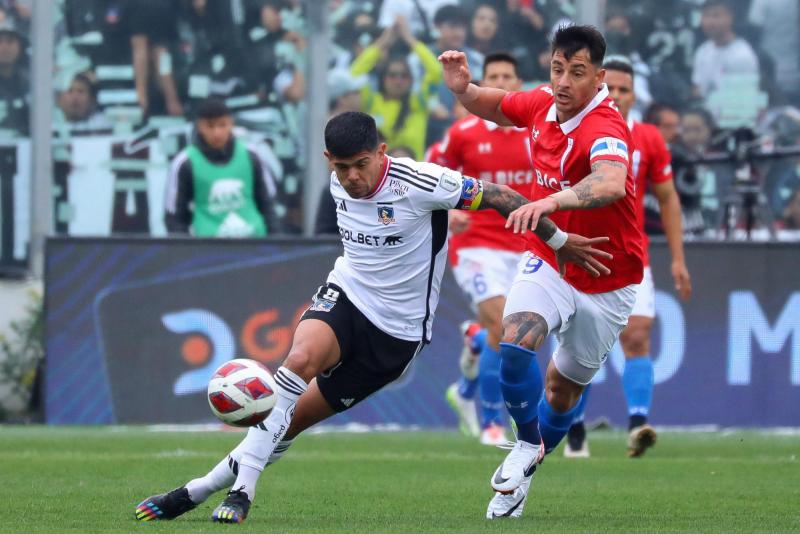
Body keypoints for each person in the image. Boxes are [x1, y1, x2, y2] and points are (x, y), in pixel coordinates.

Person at [134, 111, 610, 523]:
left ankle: (195, 490)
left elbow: (505, 197)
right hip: (347, 296)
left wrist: (560, 242)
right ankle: (243, 492)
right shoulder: (336, 180)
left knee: (289, 421)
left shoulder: (423, 182)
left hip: (396, 337)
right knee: (297, 361)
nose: (352, 177)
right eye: (341, 167)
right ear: (328, 161)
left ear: (381, 152)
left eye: (361, 164)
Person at [439, 24, 644, 518]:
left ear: (598, 78)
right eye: (557, 69)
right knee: (513, 342)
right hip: (552, 256)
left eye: (577, 72)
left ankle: (527, 470)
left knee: (561, 389)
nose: (564, 82)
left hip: (608, 275)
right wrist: (464, 88)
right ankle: (525, 444)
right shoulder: (540, 105)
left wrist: (550, 200)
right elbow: (496, 105)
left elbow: (612, 182)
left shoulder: (606, 126)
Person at [564, 58, 692, 458]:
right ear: (599, 87)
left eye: (625, 89)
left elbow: (668, 199)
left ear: (635, 96)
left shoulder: (650, 138)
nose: (617, 96)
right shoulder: (575, 128)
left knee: (637, 336)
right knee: (578, 348)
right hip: (580, 251)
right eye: (611, 88)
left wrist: (677, 259)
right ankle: (574, 427)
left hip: (631, 255)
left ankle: (638, 425)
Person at [437, 52, 532, 446]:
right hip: (477, 244)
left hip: (528, 243)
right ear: (480, 83)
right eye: (492, 76)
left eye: (507, 76)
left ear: (518, 83)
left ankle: (467, 381)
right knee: (503, 327)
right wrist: (447, 212)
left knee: (517, 337)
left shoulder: (539, 132)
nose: (500, 82)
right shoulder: (463, 133)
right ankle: (492, 422)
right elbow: (434, 176)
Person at [165, 98, 277, 237]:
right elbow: (175, 217)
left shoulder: (252, 156)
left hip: (254, 243)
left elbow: (268, 206)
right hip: (207, 248)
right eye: (210, 126)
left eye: (222, 125)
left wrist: (275, 246)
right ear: (200, 127)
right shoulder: (185, 163)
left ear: (231, 124)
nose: (217, 132)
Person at [351, 15, 441, 159]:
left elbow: (436, 71)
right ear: (383, 78)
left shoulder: (418, 102)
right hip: (380, 176)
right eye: (392, 75)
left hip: (414, 176)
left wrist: (410, 40)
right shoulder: (372, 101)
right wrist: (382, 42)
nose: (398, 80)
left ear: (411, 80)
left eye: (404, 75)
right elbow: (353, 76)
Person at [691, 0, 759, 113]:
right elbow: (698, 90)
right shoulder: (703, 51)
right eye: (706, 16)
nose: (710, 22)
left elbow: (743, 106)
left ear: (730, 18)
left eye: (716, 16)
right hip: (704, 122)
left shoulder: (742, 56)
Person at [0, 18, 28, 136]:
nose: (4, 47)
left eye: (10, 41)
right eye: (0, 42)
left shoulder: (31, 83)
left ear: (20, 47)